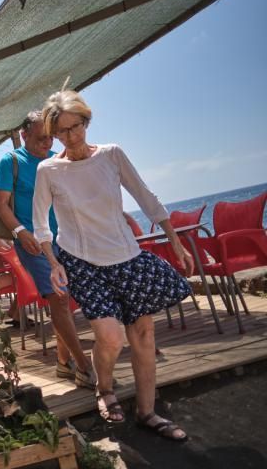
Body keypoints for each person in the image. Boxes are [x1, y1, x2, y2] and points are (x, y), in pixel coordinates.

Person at [33, 90, 191, 440]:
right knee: (109, 336)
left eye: (76, 127)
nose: (71, 137)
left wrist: (175, 240)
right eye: (62, 131)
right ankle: (104, 388)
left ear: (86, 122)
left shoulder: (112, 155)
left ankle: (148, 413)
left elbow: (146, 197)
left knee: (144, 334)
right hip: (82, 259)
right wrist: (52, 262)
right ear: (53, 134)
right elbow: (41, 223)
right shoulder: (49, 170)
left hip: (126, 255)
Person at [0, 111, 95, 388]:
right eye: (40, 139)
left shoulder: (56, 161)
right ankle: (84, 367)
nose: (47, 144)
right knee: (59, 298)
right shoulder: (11, 161)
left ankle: (64, 364)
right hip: (32, 242)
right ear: (23, 136)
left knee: (65, 299)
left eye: (51, 138)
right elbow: (1, 204)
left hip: (66, 238)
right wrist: (20, 232)